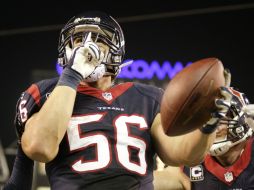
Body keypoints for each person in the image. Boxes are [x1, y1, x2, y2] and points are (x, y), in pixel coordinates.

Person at [8, 10, 232, 190]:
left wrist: (208, 124)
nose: (86, 47)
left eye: (98, 41)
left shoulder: (146, 96)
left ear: (116, 52)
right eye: (77, 40)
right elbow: (39, 148)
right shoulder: (47, 91)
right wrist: (72, 75)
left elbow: (180, 154)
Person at [153, 86, 254, 190]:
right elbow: (154, 182)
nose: (213, 126)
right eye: (207, 118)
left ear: (242, 121)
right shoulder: (194, 160)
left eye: (221, 117)